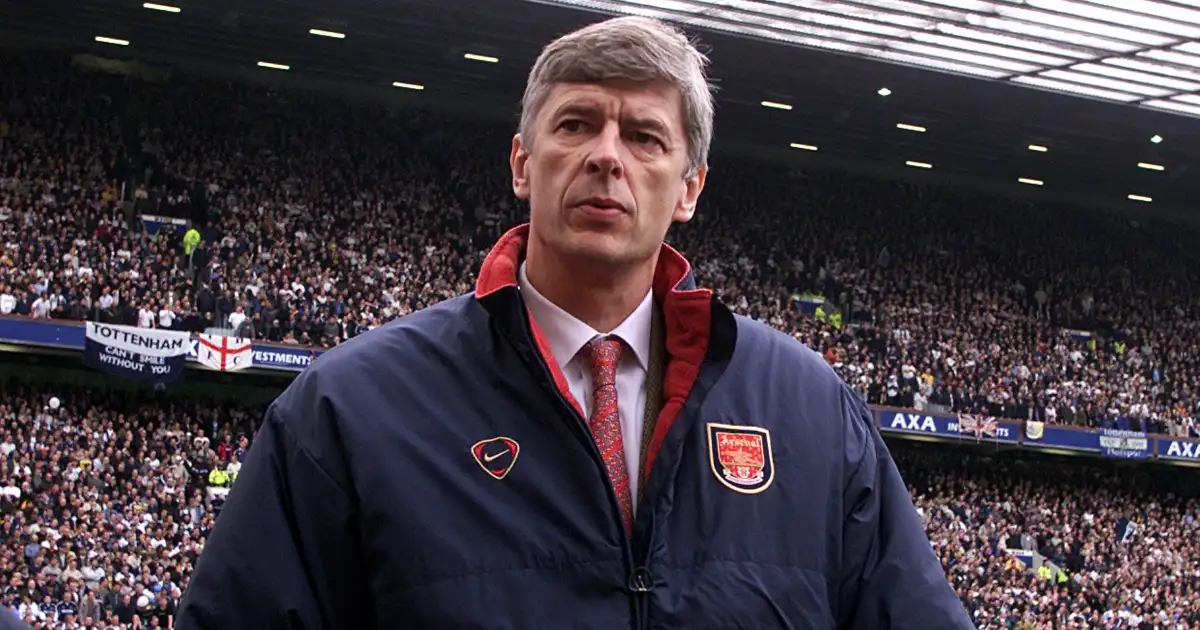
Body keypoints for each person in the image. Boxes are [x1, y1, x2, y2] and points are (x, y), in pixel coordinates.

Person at [176, 16, 973, 630]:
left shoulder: (807, 410)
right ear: (524, 163)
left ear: (689, 187)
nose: (607, 155)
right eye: (576, 124)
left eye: (644, 136)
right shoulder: (352, 407)